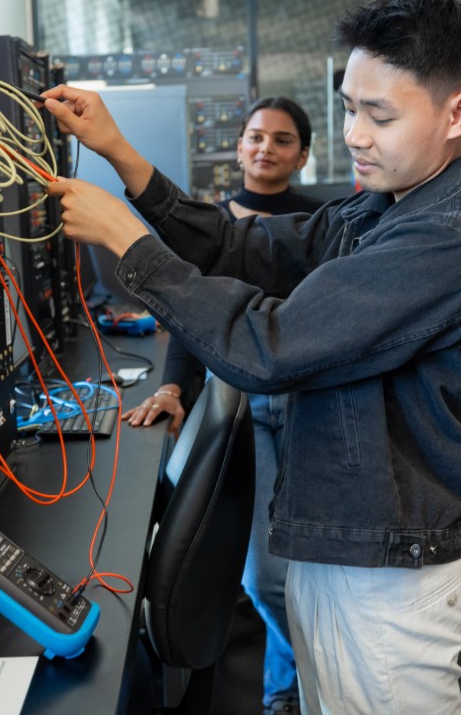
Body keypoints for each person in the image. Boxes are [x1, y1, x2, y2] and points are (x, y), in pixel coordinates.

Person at [45, 0, 461, 714]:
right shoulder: (382, 207)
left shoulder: (441, 239)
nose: (355, 133)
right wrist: (122, 157)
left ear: (458, 113)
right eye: (350, 107)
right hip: (338, 545)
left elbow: (269, 346)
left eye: (379, 114)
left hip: (381, 573)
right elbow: (241, 247)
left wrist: (132, 247)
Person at [124, 96, 323, 715]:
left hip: (305, 404)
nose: (266, 148)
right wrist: (175, 388)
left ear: (303, 154)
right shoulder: (206, 228)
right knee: (266, 577)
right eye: (256, 137)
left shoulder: (320, 227)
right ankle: (319, 683)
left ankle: (284, 695)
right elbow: (195, 324)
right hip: (238, 404)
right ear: (238, 146)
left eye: (282, 139)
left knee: (303, 569)